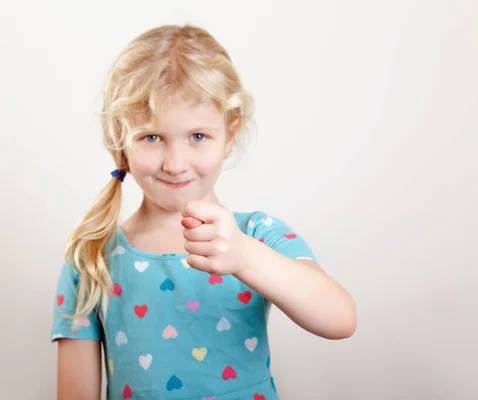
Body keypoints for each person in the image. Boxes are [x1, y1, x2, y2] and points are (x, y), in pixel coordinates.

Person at [51, 24, 356, 400]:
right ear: (120, 138)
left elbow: (340, 319)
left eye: (198, 136)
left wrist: (244, 256)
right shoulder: (92, 258)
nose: (176, 164)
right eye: (151, 137)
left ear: (229, 135)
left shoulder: (257, 235)